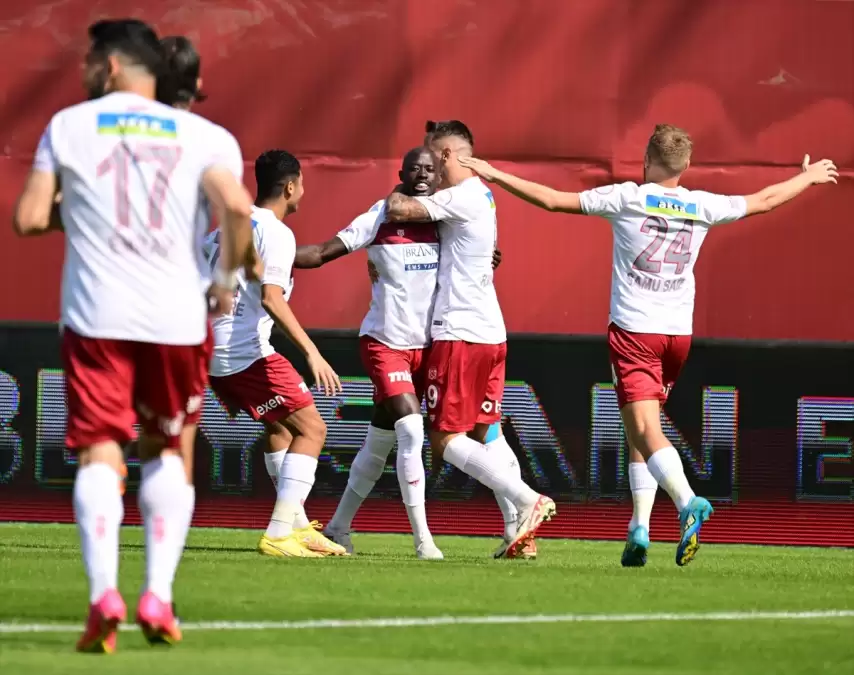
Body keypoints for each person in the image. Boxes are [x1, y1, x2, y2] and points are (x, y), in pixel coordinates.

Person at [458, 124, 838, 567]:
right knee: (641, 427)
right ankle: (639, 526)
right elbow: (765, 200)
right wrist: (807, 178)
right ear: (687, 165)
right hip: (676, 336)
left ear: (645, 160)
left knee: (646, 429)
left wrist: (494, 173)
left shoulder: (628, 198)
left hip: (636, 333)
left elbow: (553, 200)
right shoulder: (701, 204)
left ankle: (687, 501)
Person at [12, 19, 255, 652]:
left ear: (112, 66)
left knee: (101, 452)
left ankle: (103, 597)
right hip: (177, 320)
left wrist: (80, 211)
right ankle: (158, 596)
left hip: (97, 317)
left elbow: (29, 217)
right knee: (167, 450)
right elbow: (235, 208)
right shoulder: (205, 137)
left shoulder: (69, 125)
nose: (85, 71)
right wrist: (224, 280)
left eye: (90, 61)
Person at [381, 121, 557, 560]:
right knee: (485, 432)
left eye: (431, 157)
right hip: (492, 332)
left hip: (460, 333)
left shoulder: (458, 196)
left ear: (444, 155)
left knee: (444, 440)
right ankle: (518, 533)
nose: (428, 169)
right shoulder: (483, 194)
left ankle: (528, 500)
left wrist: (397, 191)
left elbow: (399, 210)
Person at [203, 150, 346, 559]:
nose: (303, 191)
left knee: (280, 429)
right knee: (312, 429)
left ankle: (298, 528)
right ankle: (279, 533)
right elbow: (271, 298)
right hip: (244, 353)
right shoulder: (277, 233)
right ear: (290, 186)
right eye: (302, 184)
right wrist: (312, 353)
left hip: (212, 351)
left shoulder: (224, 228)